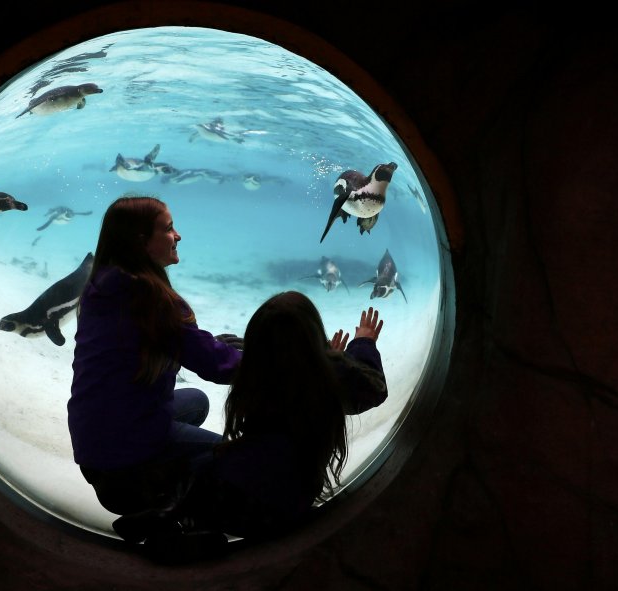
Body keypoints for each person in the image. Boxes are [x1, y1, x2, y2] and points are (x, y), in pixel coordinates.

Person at [117, 291, 388, 553]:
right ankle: (196, 534)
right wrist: (360, 345)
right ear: (315, 333)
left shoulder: (255, 369)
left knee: (201, 468)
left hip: (227, 500)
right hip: (287, 510)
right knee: (251, 476)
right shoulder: (329, 377)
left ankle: (175, 518)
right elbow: (374, 388)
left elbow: (264, 358)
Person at [68, 194, 243, 519]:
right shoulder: (151, 301)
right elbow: (219, 366)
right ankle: (165, 510)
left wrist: (199, 344)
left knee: (197, 401)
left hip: (91, 447)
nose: (178, 236)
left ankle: (153, 478)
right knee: (241, 458)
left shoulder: (102, 285)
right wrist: (275, 358)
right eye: (168, 228)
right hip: (123, 461)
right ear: (141, 241)